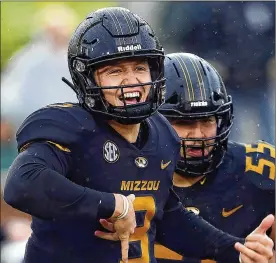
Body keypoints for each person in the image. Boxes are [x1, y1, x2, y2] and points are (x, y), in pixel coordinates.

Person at [3, 7, 274, 263]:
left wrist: (235, 251)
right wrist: (111, 205)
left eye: (139, 68)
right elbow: (22, 185)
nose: (131, 81)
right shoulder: (69, 125)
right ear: (86, 78)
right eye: (115, 71)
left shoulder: (160, 132)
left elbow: (169, 216)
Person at [156, 52, 275, 263]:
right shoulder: (125, 172)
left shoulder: (259, 169)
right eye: (185, 123)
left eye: (208, 120)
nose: (199, 135)